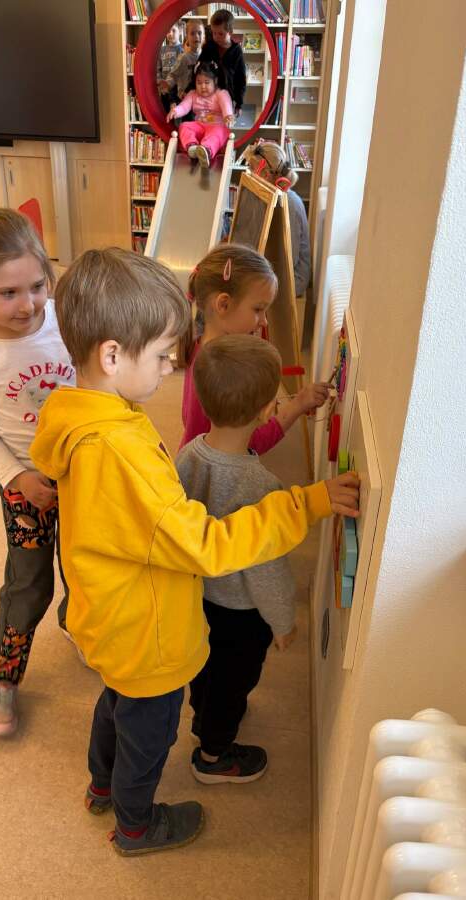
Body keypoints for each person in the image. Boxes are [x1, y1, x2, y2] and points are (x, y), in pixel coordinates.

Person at [29, 247, 360, 856]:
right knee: (149, 733)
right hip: (144, 632)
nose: (169, 370)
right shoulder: (119, 452)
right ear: (111, 356)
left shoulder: (88, 418)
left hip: (111, 618)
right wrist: (306, 503)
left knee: (115, 704)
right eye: (161, 356)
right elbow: (206, 545)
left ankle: (101, 784)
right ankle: (135, 825)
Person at [0, 208, 75, 738]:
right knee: (29, 585)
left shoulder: (66, 320)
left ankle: (78, 624)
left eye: (37, 286)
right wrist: (17, 478)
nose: (28, 304)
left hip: (83, 475)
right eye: (8, 293)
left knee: (86, 567)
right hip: (23, 487)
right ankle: (1, 676)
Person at [177, 334, 302, 783]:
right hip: (241, 612)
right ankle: (214, 757)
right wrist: (283, 621)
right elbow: (267, 569)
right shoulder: (262, 486)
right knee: (234, 682)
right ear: (267, 410)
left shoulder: (188, 454)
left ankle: (203, 716)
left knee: (205, 671)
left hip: (195, 596)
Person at [180, 244, 327, 452]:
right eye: (258, 309)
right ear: (223, 305)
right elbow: (250, 444)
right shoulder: (221, 371)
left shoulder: (202, 349)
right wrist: (298, 404)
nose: (264, 321)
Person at [243, 140, 312, 297]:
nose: (248, 173)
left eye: (251, 168)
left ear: (265, 174)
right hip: (270, 267)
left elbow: (288, 261)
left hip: (291, 279)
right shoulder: (265, 195)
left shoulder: (289, 203)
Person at [166, 61, 233, 168]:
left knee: (218, 132)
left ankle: (206, 151)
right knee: (184, 126)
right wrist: (175, 111)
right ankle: (192, 147)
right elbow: (184, 106)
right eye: (199, 83)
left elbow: (226, 107)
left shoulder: (221, 93)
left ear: (215, 81)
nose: (203, 86)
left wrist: (228, 116)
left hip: (217, 126)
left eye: (207, 82)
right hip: (200, 126)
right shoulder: (193, 94)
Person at [200, 8, 246, 116]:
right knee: (208, 122)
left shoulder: (236, 51)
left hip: (229, 97)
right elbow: (198, 69)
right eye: (214, 33)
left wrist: (239, 104)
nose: (216, 37)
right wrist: (190, 89)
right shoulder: (208, 47)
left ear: (230, 32)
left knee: (226, 121)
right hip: (208, 96)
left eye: (221, 34)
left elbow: (240, 79)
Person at [160, 18, 205, 110]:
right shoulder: (183, 58)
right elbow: (173, 75)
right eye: (192, 33)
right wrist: (167, 84)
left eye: (199, 33)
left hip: (200, 99)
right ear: (187, 37)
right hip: (184, 98)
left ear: (204, 36)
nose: (196, 36)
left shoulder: (205, 57)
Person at [156, 21, 183, 114]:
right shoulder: (162, 50)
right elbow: (158, 68)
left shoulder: (182, 49)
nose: (170, 34)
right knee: (165, 112)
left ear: (180, 31)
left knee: (176, 113)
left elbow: (181, 70)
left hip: (176, 90)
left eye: (173, 30)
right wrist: (159, 82)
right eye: (168, 31)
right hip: (164, 89)